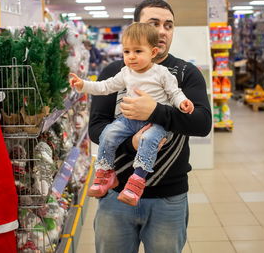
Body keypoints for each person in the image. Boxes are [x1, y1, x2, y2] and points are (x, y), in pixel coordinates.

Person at [88, 0, 212, 253]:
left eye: (169, 25)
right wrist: (130, 143)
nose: (163, 31)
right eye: (154, 23)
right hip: (116, 196)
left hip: (168, 198)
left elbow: (202, 123)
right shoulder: (116, 70)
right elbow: (97, 127)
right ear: (137, 27)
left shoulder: (185, 72)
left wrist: (156, 111)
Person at [70, 23, 194, 206]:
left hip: (156, 124)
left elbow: (174, 93)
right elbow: (105, 86)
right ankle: (106, 172)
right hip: (129, 120)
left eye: (138, 51)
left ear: (153, 52)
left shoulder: (162, 73)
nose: (131, 57)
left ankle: (137, 179)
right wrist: (84, 85)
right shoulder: (126, 73)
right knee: (109, 133)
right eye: (126, 52)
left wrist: (182, 102)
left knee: (149, 139)